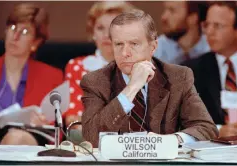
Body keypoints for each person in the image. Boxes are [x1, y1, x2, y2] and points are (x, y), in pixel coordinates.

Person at [80, 9, 218, 148]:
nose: (125, 53)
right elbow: (91, 136)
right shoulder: (95, 81)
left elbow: (206, 128)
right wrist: (131, 88)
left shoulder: (178, 77)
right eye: (119, 44)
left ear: (153, 46)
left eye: (134, 44)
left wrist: (172, 140)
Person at [183, 2, 237, 138]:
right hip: (217, 148)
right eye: (206, 25)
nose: (209, 32)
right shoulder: (192, 70)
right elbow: (184, 120)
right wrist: (217, 130)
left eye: (217, 26)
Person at [0, 3, 63, 145]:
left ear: (35, 42)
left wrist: (43, 122)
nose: (15, 36)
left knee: (16, 138)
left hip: (27, 139)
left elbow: (56, 128)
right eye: (12, 28)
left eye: (24, 32)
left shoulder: (52, 76)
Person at [64, 1, 135, 127]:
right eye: (100, 28)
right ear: (92, 33)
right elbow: (73, 121)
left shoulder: (141, 68)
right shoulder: (77, 66)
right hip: (88, 141)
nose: (106, 35)